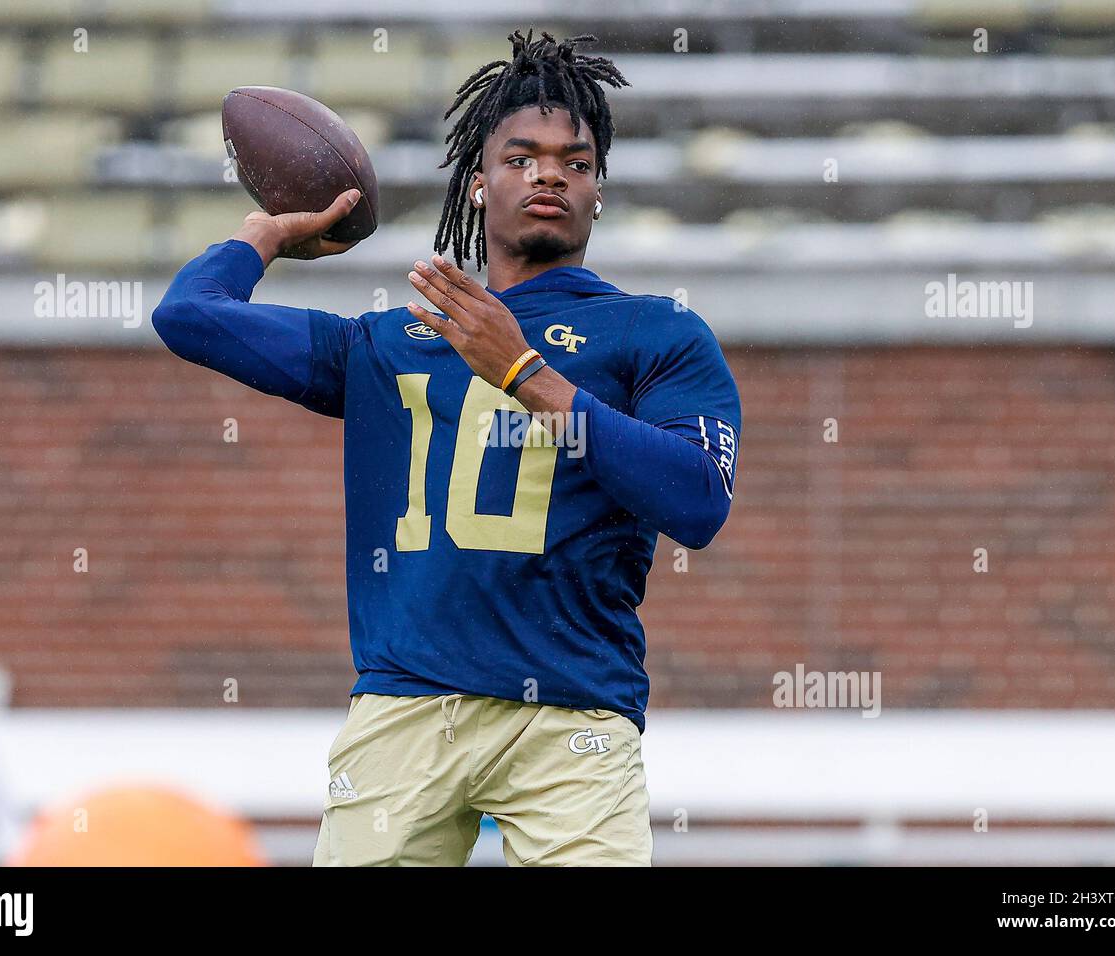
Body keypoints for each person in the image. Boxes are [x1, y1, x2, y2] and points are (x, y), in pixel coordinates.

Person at [152, 30, 741, 866]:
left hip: (572, 721)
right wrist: (265, 233)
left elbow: (697, 502)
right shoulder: (392, 343)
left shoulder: (658, 332)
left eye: (574, 163)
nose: (548, 175)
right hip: (405, 712)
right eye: (521, 158)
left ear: (598, 191)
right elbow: (188, 316)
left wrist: (527, 372)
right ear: (475, 184)